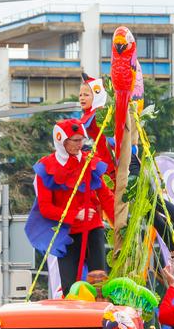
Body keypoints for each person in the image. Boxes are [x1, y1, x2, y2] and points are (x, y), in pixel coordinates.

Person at [25, 118, 114, 296]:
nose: (80, 144)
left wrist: (118, 221)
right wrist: (75, 215)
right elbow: (45, 207)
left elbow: (105, 195)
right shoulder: (47, 167)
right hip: (67, 234)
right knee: (70, 285)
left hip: (93, 228)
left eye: (82, 139)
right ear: (61, 139)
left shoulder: (90, 162)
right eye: (75, 140)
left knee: (98, 280)